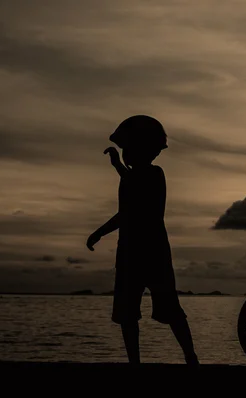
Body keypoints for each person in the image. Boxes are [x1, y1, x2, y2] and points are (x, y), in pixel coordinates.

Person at [86, 115, 199, 366]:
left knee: (170, 310)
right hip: (129, 253)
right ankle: (134, 363)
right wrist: (100, 232)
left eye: (128, 149)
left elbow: (137, 196)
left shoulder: (154, 175)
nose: (125, 154)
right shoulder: (130, 179)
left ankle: (191, 357)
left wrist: (117, 167)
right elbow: (125, 213)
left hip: (153, 253)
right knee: (127, 314)